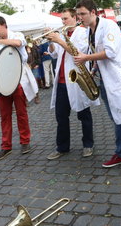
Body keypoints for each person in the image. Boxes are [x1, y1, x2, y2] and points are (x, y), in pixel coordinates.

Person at [74, 0, 121, 175]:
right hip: (104, 81)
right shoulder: (89, 31)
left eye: (83, 14)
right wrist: (93, 69)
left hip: (117, 79)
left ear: (93, 12)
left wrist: (85, 58)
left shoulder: (109, 26)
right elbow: (97, 53)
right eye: (78, 15)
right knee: (116, 119)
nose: (80, 18)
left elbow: (111, 52)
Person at [46, 8, 99, 160]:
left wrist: (59, 41)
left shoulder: (83, 32)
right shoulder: (62, 34)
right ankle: (62, 147)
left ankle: (88, 144)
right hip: (62, 82)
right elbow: (54, 53)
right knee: (61, 117)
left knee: (84, 114)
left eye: (66, 19)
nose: (63, 22)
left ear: (75, 18)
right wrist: (51, 42)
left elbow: (78, 53)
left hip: (77, 80)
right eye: (62, 19)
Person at [0, 15, 34, 160]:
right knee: (5, 115)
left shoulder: (16, 34)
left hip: (18, 79)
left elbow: (18, 43)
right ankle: (6, 146)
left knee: (21, 113)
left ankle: (25, 141)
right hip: (3, 81)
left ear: (4, 25)